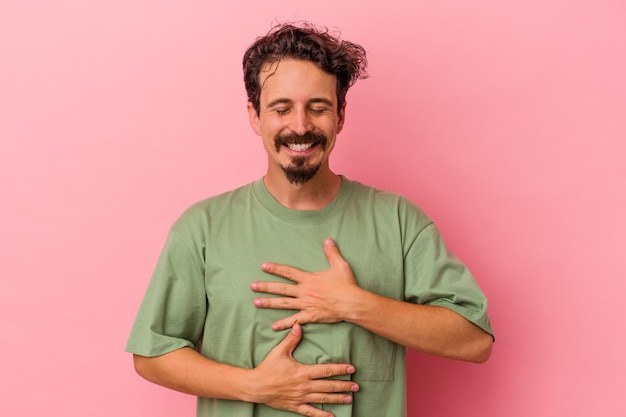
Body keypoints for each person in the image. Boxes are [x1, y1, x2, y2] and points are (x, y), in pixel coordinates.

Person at [126, 22, 494, 417]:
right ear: (255, 116)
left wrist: (355, 304)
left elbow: (474, 341)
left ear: (340, 114)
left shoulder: (399, 221)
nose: (300, 126)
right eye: (281, 108)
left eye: (317, 108)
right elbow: (152, 353)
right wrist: (255, 386)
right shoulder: (201, 228)